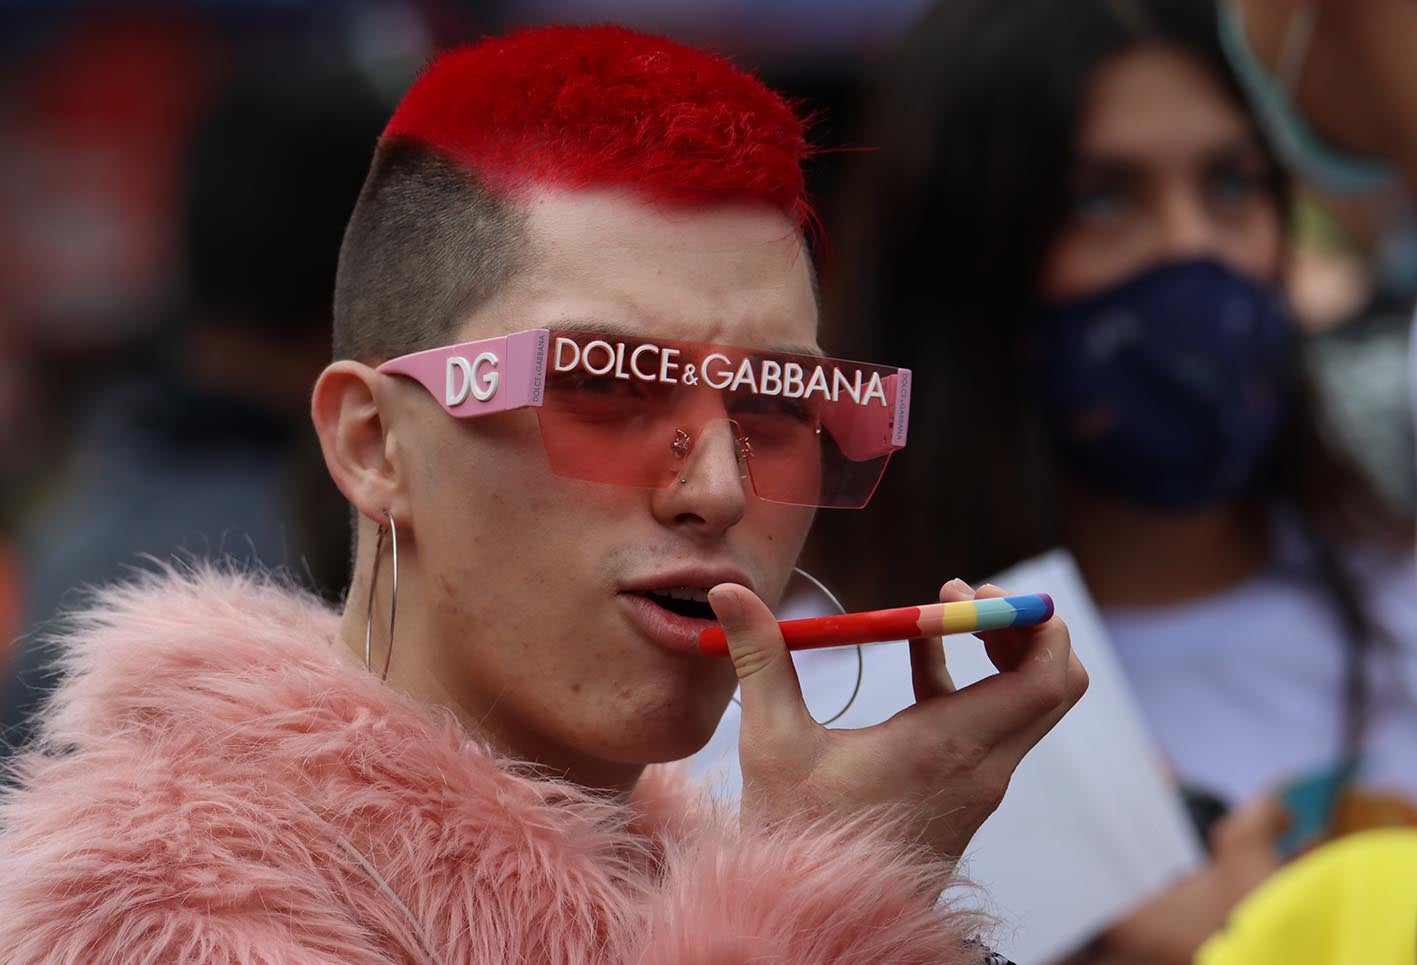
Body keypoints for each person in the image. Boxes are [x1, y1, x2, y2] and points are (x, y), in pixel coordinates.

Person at [0, 25, 1087, 962]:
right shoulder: (152, 903)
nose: (713, 487)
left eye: (777, 404)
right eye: (603, 389)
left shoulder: (700, 867)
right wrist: (825, 893)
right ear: (374, 442)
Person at [808, 0, 1417, 959]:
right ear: (961, 262)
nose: (1193, 247)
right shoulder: (836, 706)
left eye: (1232, 185)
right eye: (1100, 199)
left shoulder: (1400, 602)